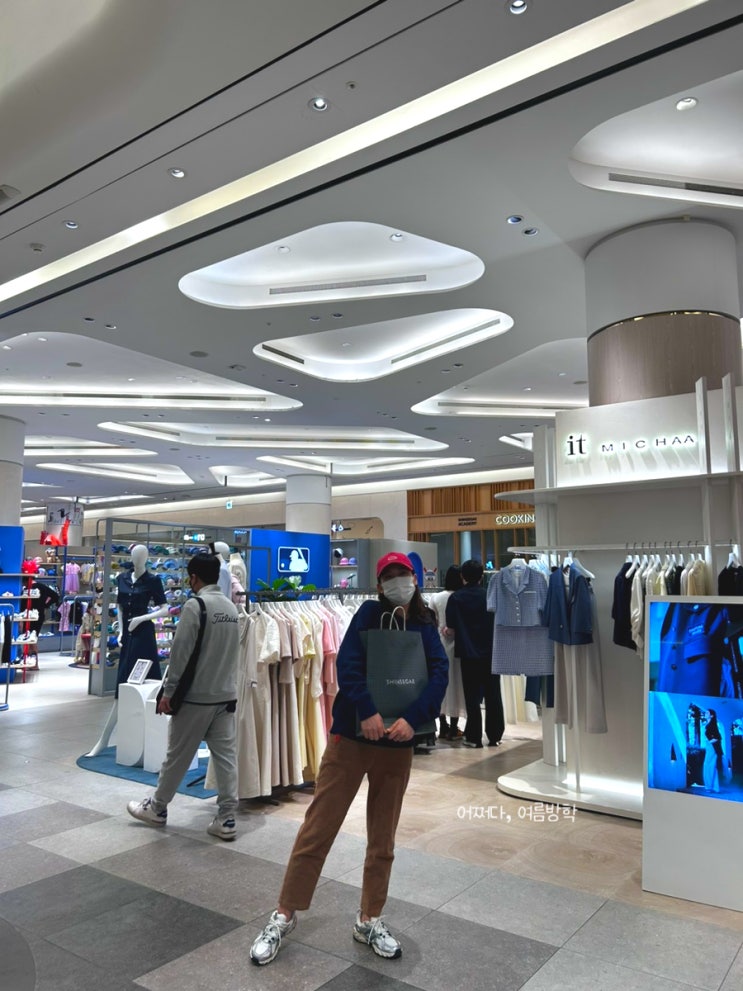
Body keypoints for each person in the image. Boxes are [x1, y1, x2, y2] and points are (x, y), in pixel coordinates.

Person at [249, 551, 448, 966]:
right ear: (379, 584)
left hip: (397, 743)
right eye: (390, 576)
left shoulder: (425, 622)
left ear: (414, 579)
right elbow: (348, 666)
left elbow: (438, 674)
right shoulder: (366, 615)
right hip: (351, 738)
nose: (398, 582)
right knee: (318, 827)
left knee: (383, 838)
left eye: (403, 574)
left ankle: (369, 918)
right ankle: (284, 913)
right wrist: (368, 711)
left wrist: (413, 719)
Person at [127, 554, 240, 840]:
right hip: (225, 695)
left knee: (177, 756)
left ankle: (157, 808)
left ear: (193, 577)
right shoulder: (231, 607)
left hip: (195, 697)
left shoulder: (196, 606)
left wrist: (169, 691)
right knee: (226, 759)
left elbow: (180, 653)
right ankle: (227, 818)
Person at [84, 544, 170, 757]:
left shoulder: (153, 580)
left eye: (141, 555)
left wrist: (142, 618)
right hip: (128, 637)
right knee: (123, 686)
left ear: (146, 557)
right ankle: (104, 740)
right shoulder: (122, 578)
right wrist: (122, 631)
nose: (137, 558)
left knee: (150, 685)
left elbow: (165, 609)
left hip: (144, 636)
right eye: (134, 555)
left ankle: (156, 738)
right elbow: (121, 607)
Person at [444, 558, 503, 749]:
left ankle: (474, 737)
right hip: (492, 652)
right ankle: (495, 736)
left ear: (462, 576)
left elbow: (451, 627)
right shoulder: (490, 595)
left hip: (468, 653)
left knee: (472, 698)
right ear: (481, 576)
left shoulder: (456, 598)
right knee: (493, 695)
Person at [428, 565, 466, 740]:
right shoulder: (461, 597)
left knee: (441, 683)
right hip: (459, 644)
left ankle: (442, 725)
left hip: (440, 643)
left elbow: (432, 621)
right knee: (457, 684)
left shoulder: (436, 597)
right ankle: (453, 727)